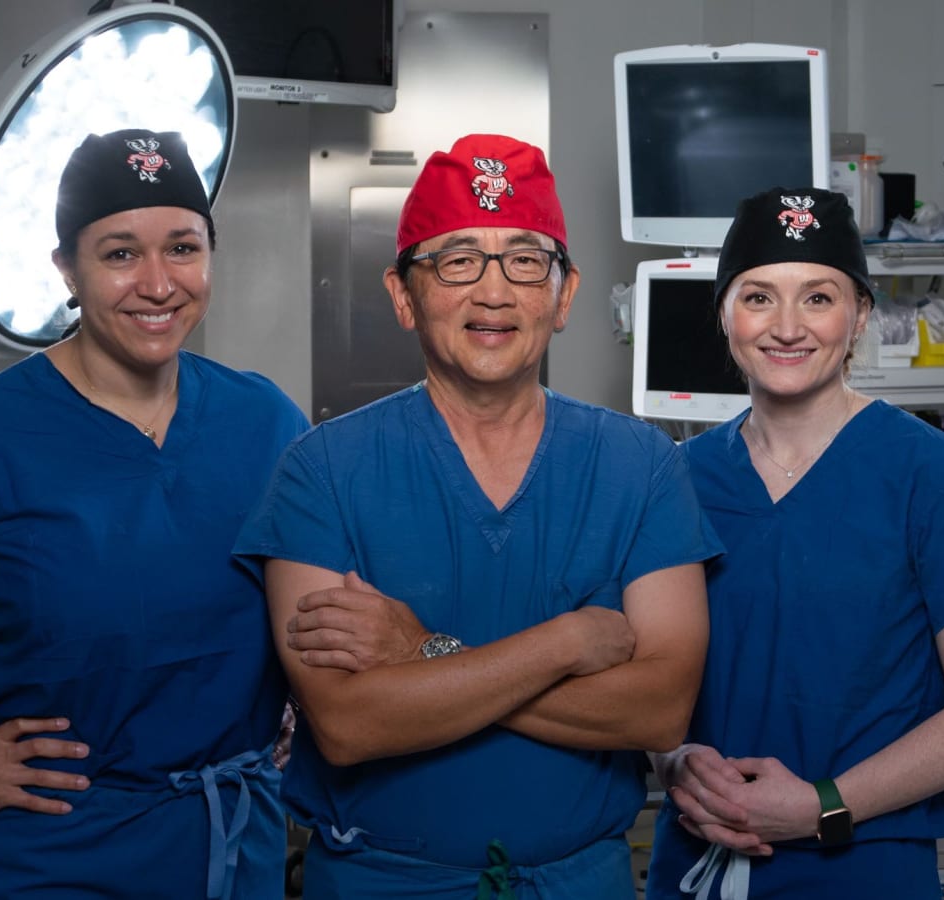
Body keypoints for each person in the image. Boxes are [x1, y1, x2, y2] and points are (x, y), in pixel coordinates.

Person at [234, 133, 720, 899]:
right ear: (402, 294)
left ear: (563, 295)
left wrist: (422, 651)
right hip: (380, 881)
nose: (494, 292)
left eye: (526, 260)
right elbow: (351, 724)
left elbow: (658, 711)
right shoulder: (322, 472)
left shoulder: (640, 466)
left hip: (578, 882)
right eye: (457, 260)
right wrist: (565, 642)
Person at [0, 128, 309, 898]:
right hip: (52, 861)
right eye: (120, 253)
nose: (160, 283)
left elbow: (314, 600)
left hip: (234, 853)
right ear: (66, 267)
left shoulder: (262, 419)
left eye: (183, 247)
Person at [644, 187, 944, 899]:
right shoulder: (676, 481)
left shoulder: (934, 476)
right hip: (701, 862)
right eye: (759, 297)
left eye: (818, 298)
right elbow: (646, 680)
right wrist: (675, 761)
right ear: (724, 313)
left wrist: (824, 805)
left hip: (865, 868)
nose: (788, 327)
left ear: (860, 318)